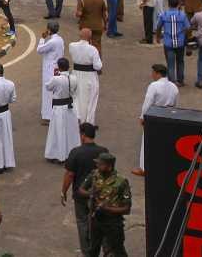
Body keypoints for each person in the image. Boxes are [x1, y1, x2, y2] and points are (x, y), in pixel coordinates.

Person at [62, 123, 108, 257]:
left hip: (81, 196)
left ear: (82, 135)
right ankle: (106, 251)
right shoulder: (103, 151)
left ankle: (88, 253)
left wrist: (63, 191)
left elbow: (70, 175)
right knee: (102, 222)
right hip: (100, 195)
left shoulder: (76, 152)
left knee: (82, 223)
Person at [77, 152, 131, 257]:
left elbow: (126, 208)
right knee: (93, 250)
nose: (97, 166)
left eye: (100, 164)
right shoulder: (94, 175)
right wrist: (90, 193)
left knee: (118, 250)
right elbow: (81, 190)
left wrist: (108, 209)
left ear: (109, 166)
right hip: (95, 220)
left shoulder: (121, 181)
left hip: (113, 223)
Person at [133, 63, 179, 177]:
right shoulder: (174, 86)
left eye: (153, 72)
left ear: (158, 73)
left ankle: (144, 168)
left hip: (154, 115)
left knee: (147, 141)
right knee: (164, 141)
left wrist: (142, 116)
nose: (152, 75)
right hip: (168, 115)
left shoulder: (154, 85)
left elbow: (148, 102)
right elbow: (176, 103)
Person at [44, 58, 81, 162]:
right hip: (70, 107)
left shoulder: (56, 79)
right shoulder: (73, 78)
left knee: (58, 131)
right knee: (70, 132)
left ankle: (58, 155)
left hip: (59, 109)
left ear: (59, 67)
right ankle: (71, 154)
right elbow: (75, 91)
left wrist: (55, 75)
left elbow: (48, 87)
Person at [69, 28, 102, 126]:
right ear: (90, 37)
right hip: (89, 77)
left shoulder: (72, 46)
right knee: (91, 100)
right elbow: (98, 66)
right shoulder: (93, 49)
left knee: (77, 98)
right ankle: (88, 123)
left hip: (75, 75)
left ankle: (77, 119)